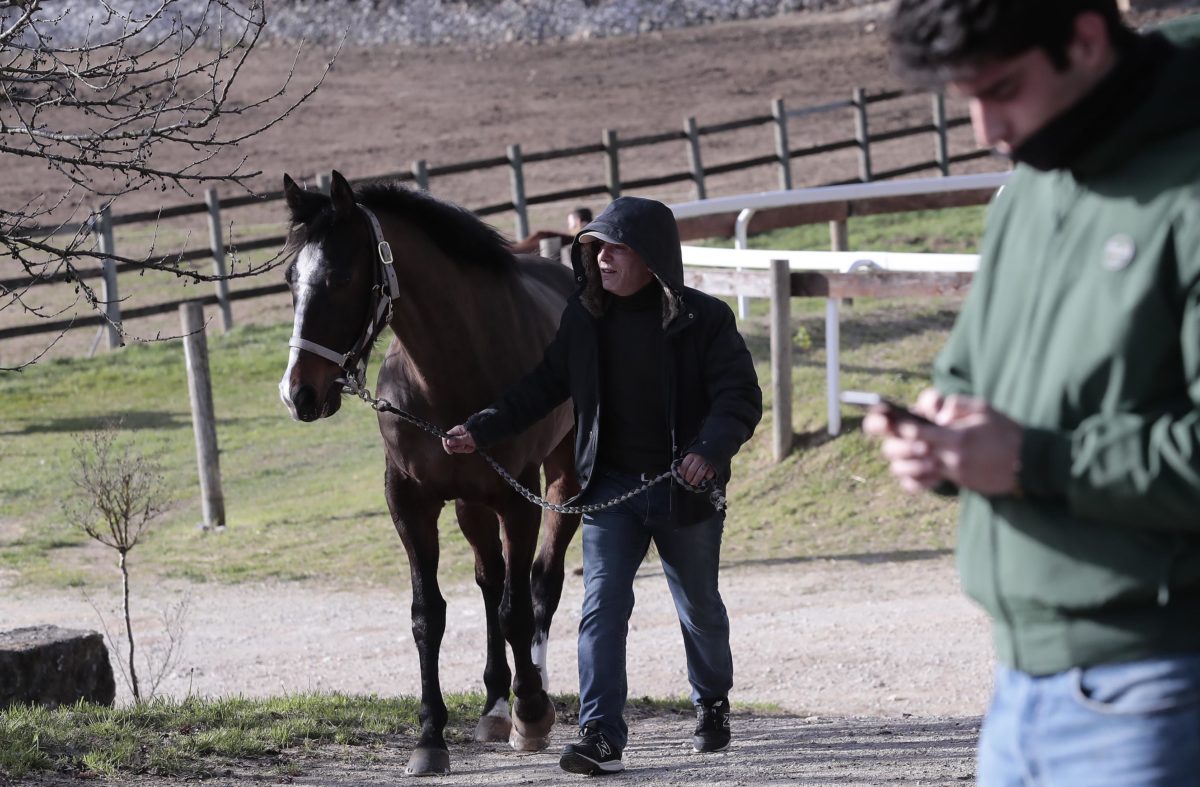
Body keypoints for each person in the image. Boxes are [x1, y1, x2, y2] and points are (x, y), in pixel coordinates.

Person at [867, 2, 1200, 784]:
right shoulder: (1028, 191)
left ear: (1085, 38)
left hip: (1161, 689)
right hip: (1018, 695)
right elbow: (968, 374)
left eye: (1004, 88)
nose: (986, 127)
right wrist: (942, 441)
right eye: (967, 99)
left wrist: (1035, 460)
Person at [443, 196, 762, 775]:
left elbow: (740, 398)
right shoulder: (583, 319)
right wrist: (481, 429)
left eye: (615, 249)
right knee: (601, 609)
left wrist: (708, 451)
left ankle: (712, 699)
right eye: (595, 248)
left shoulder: (706, 319)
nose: (602, 259)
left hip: (684, 492)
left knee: (700, 611)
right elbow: (542, 387)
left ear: (652, 257)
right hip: (612, 492)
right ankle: (601, 735)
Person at [507, 206, 594, 255]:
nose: (569, 227)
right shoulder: (596, 234)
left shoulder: (576, 238)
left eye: (569, 224)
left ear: (578, 221)